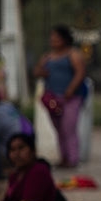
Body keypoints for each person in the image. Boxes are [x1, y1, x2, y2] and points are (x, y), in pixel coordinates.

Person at [33, 25, 87, 169]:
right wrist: (42, 72)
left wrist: (71, 89)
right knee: (59, 128)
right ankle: (63, 157)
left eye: (56, 38)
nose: (53, 40)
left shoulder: (73, 55)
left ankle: (72, 158)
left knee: (68, 127)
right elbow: (37, 71)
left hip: (71, 97)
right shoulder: (47, 57)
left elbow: (80, 73)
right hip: (52, 98)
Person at [0, 133, 70, 201]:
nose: (17, 154)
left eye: (21, 148)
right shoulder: (15, 176)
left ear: (33, 151)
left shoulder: (38, 171)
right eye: (12, 150)